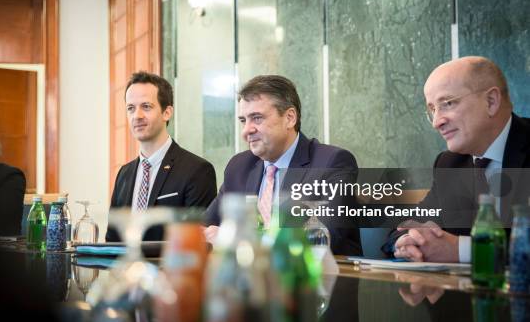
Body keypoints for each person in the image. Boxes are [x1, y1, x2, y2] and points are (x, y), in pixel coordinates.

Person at [385, 56, 530, 262]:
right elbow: (403, 226)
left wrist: (461, 251)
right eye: (432, 110)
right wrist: (408, 241)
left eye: (448, 103)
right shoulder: (449, 163)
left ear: (491, 101)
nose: (437, 122)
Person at [203, 75, 362, 255]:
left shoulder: (331, 162)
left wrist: (236, 239)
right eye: (243, 121)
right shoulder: (239, 166)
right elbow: (204, 226)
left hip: (321, 279)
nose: (246, 130)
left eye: (257, 118)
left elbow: (325, 237)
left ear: (289, 118)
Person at [105, 72, 217, 241]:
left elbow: (194, 242)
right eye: (131, 108)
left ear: (167, 112)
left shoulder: (197, 170)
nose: (137, 116)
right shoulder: (124, 174)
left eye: (146, 106)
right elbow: (112, 240)